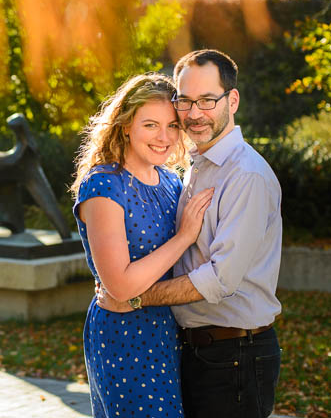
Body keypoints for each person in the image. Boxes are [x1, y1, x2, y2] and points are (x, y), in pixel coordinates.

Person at [98, 50, 283, 418]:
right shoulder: (194, 168)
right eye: (185, 101)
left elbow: (220, 278)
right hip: (194, 350)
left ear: (232, 100)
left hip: (235, 356)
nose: (194, 113)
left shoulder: (245, 175)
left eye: (207, 100)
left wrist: (135, 298)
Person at [71, 72, 214, 418]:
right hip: (124, 333)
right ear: (125, 125)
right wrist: (183, 237)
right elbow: (119, 285)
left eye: (172, 126)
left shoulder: (170, 180)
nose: (164, 137)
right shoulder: (104, 185)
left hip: (169, 329)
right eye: (150, 125)